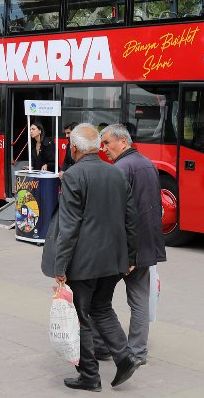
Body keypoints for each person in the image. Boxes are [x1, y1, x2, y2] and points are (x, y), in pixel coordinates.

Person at [53, 123, 140, 391]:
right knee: (102, 308)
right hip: (114, 259)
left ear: (75, 148)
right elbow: (131, 219)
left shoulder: (73, 176)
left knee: (81, 316)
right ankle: (124, 356)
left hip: (84, 262)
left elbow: (68, 227)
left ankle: (89, 376)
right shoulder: (116, 173)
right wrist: (130, 256)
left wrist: (60, 265)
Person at [97, 124, 166, 365]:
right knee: (139, 301)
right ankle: (138, 352)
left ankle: (102, 345)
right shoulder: (147, 163)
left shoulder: (120, 168)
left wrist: (128, 254)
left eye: (106, 142)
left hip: (125, 250)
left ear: (123, 142)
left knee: (98, 299)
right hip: (146, 244)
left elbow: (116, 214)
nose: (103, 148)